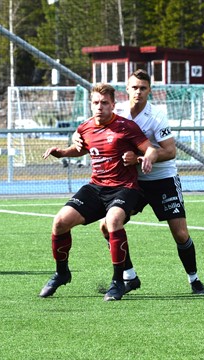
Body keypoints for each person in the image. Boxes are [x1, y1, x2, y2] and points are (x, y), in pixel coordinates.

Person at [74, 69, 204, 295]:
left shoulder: (157, 115)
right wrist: (75, 137)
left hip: (161, 178)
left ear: (150, 91)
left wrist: (139, 158)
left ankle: (194, 280)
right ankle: (129, 277)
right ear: (127, 90)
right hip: (131, 182)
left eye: (143, 88)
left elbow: (170, 151)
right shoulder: (117, 111)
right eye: (134, 87)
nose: (138, 92)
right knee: (107, 225)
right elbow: (90, 127)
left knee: (180, 233)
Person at [39, 83, 158, 301]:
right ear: (90, 104)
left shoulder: (126, 126)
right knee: (59, 222)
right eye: (95, 103)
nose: (99, 107)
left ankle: (118, 282)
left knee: (112, 221)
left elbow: (149, 147)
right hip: (96, 187)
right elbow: (80, 149)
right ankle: (61, 273)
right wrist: (62, 152)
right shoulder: (85, 128)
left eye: (104, 103)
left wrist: (147, 157)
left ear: (113, 105)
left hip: (125, 188)